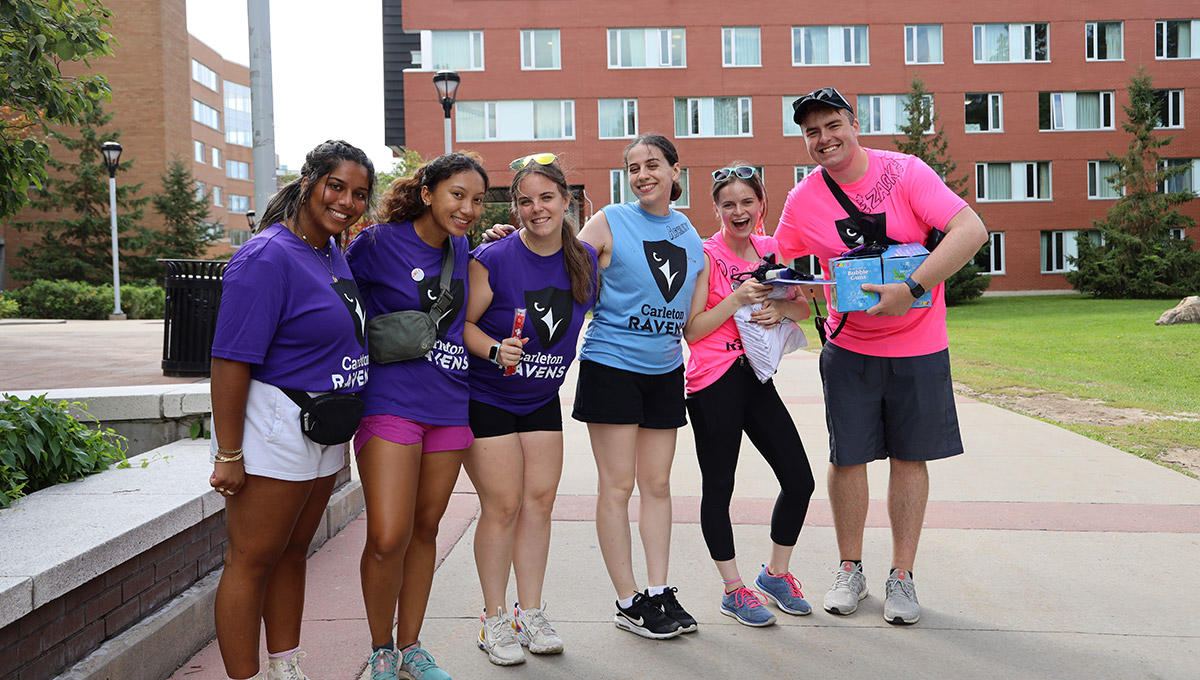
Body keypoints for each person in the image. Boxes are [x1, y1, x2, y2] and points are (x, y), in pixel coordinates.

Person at [775, 87, 989, 625]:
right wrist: (788, 298)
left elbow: (971, 231)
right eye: (811, 132)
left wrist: (913, 288)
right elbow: (780, 263)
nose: (824, 139)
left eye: (832, 126)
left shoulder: (906, 172)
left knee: (908, 458)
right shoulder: (804, 198)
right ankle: (851, 569)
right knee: (847, 458)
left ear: (854, 124)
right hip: (848, 349)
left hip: (918, 345)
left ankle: (902, 576)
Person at [483, 134, 705, 640]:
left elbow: (694, 308)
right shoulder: (610, 220)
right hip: (613, 366)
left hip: (666, 369)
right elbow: (560, 257)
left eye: (653, 165)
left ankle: (657, 590)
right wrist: (507, 237)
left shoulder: (690, 233)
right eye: (633, 167)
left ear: (676, 170)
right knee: (619, 486)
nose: (643, 174)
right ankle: (628, 600)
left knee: (658, 486)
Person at [208, 140, 375, 680]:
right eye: (336, 187)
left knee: (294, 550)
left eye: (359, 194)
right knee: (252, 560)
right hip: (274, 429)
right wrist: (229, 453)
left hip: (324, 429)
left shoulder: (331, 249)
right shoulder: (266, 256)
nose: (347, 202)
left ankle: (286, 667)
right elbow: (229, 360)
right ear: (308, 184)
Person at [346, 153, 488, 680]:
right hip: (389, 403)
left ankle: (411, 646)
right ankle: (380, 647)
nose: (467, 208)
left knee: (425, 529)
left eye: (476, 200)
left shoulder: (466, 249)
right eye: (457, 195)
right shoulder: (377, 243)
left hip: (449, 405)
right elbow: (340, 303)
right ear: (427, 192)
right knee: (388, 535)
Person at [461, 153, 598, 665]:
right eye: (525, 200)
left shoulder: (584, 259)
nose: (537, 208)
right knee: (503, 506)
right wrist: (496, 350)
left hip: (541, 398)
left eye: (546, 198)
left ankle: (530, 613)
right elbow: (465, 327)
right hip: (489, 397)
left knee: (539, 503)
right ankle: (493, 619)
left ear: (566, 200)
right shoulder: (493, 258)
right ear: (514, 208)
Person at [682, 164, 817, 627]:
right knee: (719, 489)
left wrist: (779, 306)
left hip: (757, 379)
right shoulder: (703, 254)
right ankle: (733, 589)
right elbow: (693, 328)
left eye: (747, 202)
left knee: (800, 479)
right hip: (713, 382)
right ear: (716, 209)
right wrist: (738, 299)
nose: (739, 211)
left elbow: (804, 305)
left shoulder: (772, 249)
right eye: (728, 204)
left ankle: (776, 574)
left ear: (762, 204)